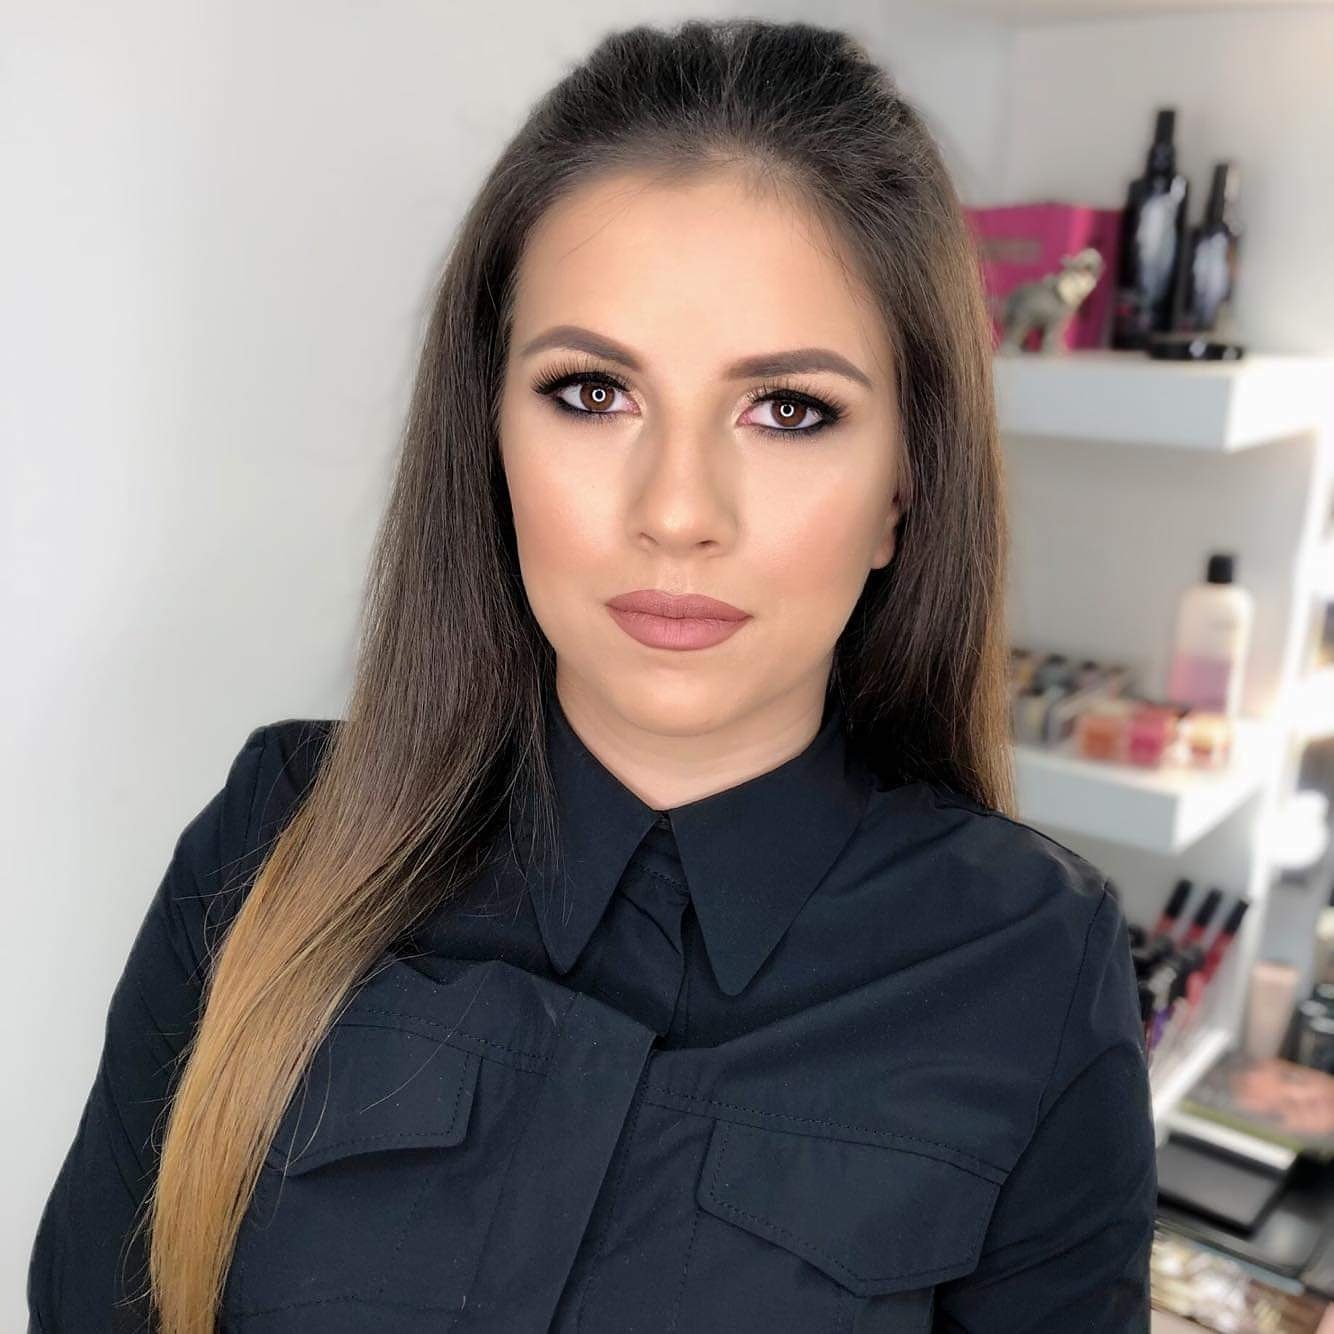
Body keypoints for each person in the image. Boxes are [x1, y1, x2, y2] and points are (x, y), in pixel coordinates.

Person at [27, 16, 1156, 1334]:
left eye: (789, 410)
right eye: (591, 393)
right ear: (488, 433)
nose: (676, 510)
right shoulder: (275, 837)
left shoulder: (1029, 966)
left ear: (903, 488)